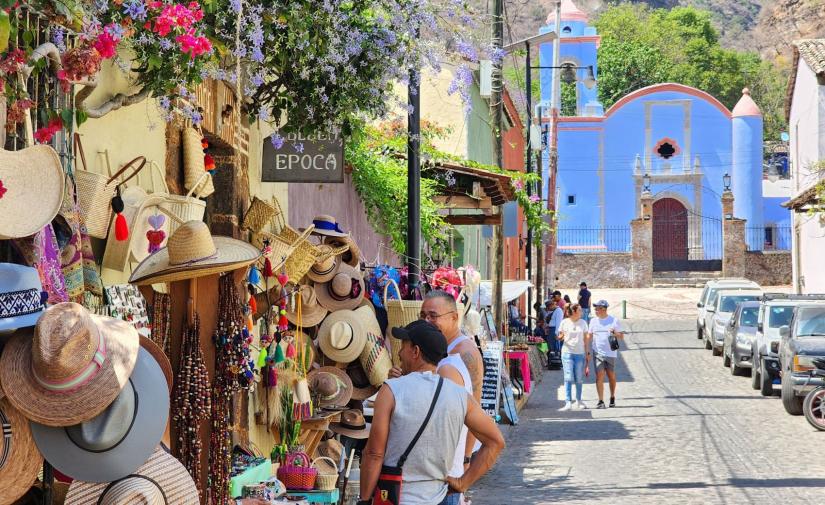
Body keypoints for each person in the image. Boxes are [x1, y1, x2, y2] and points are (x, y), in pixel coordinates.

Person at [359, 320, 505, 505]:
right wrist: (463, 483)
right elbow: (495, 442)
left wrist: (364, 499)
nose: (399, 353)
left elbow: (374, 454)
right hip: (440, 497)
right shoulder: (460, 395)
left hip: (399, 497)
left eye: (403, 346)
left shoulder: (391, 390)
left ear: (415, 351)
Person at [587, 300, 625, 409]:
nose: (595, 310)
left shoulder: (614, 320)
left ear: (603, 309)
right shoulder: (593, 321)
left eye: (597, 309)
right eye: (595, 309)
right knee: (599, 376)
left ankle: (612, 397)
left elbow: (621, 336)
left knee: (611, 376)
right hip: (597, 352)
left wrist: (615, 333)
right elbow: (589, 335)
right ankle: (601, 401)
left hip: (610, 353)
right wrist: (586, 349)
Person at [557, 304, 589, 411]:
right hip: (567, 353)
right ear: (574, 311)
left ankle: (578, 401)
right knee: (568, 377)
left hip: (580, 353)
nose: (582, 312)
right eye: (580, 310)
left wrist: (587, 352)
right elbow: (560, 336)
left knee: (578, 378)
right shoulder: (564, 322)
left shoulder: (583, 323)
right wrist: (560, 337)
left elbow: (586, 339)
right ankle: (568, 402)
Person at [547, 298, 564, 362]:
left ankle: (555, 360)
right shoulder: (555, 311)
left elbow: (558, 323)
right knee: (551, 346)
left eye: (549, 307)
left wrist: (557, 333)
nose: (549, 309)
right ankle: (553, 360)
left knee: (554, 346)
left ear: (552, 305)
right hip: (552, 329)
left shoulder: (558, 311)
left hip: (554, 330)